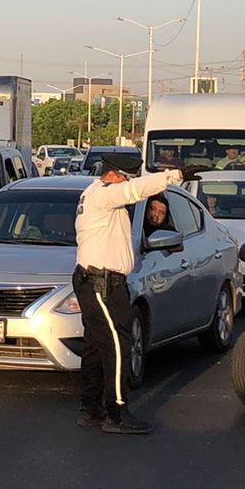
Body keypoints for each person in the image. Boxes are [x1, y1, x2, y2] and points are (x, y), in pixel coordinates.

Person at [72, 159, 184, 435]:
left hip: (97, 281)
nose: (129, 181)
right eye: (127, 176)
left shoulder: (95, 194)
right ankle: (116, 412)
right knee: (117, 347)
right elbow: (135, 190)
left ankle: (91, 408)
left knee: (96, 347)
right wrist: (172, 176)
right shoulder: (104, 193)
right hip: (102, 284)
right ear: (113, 174)